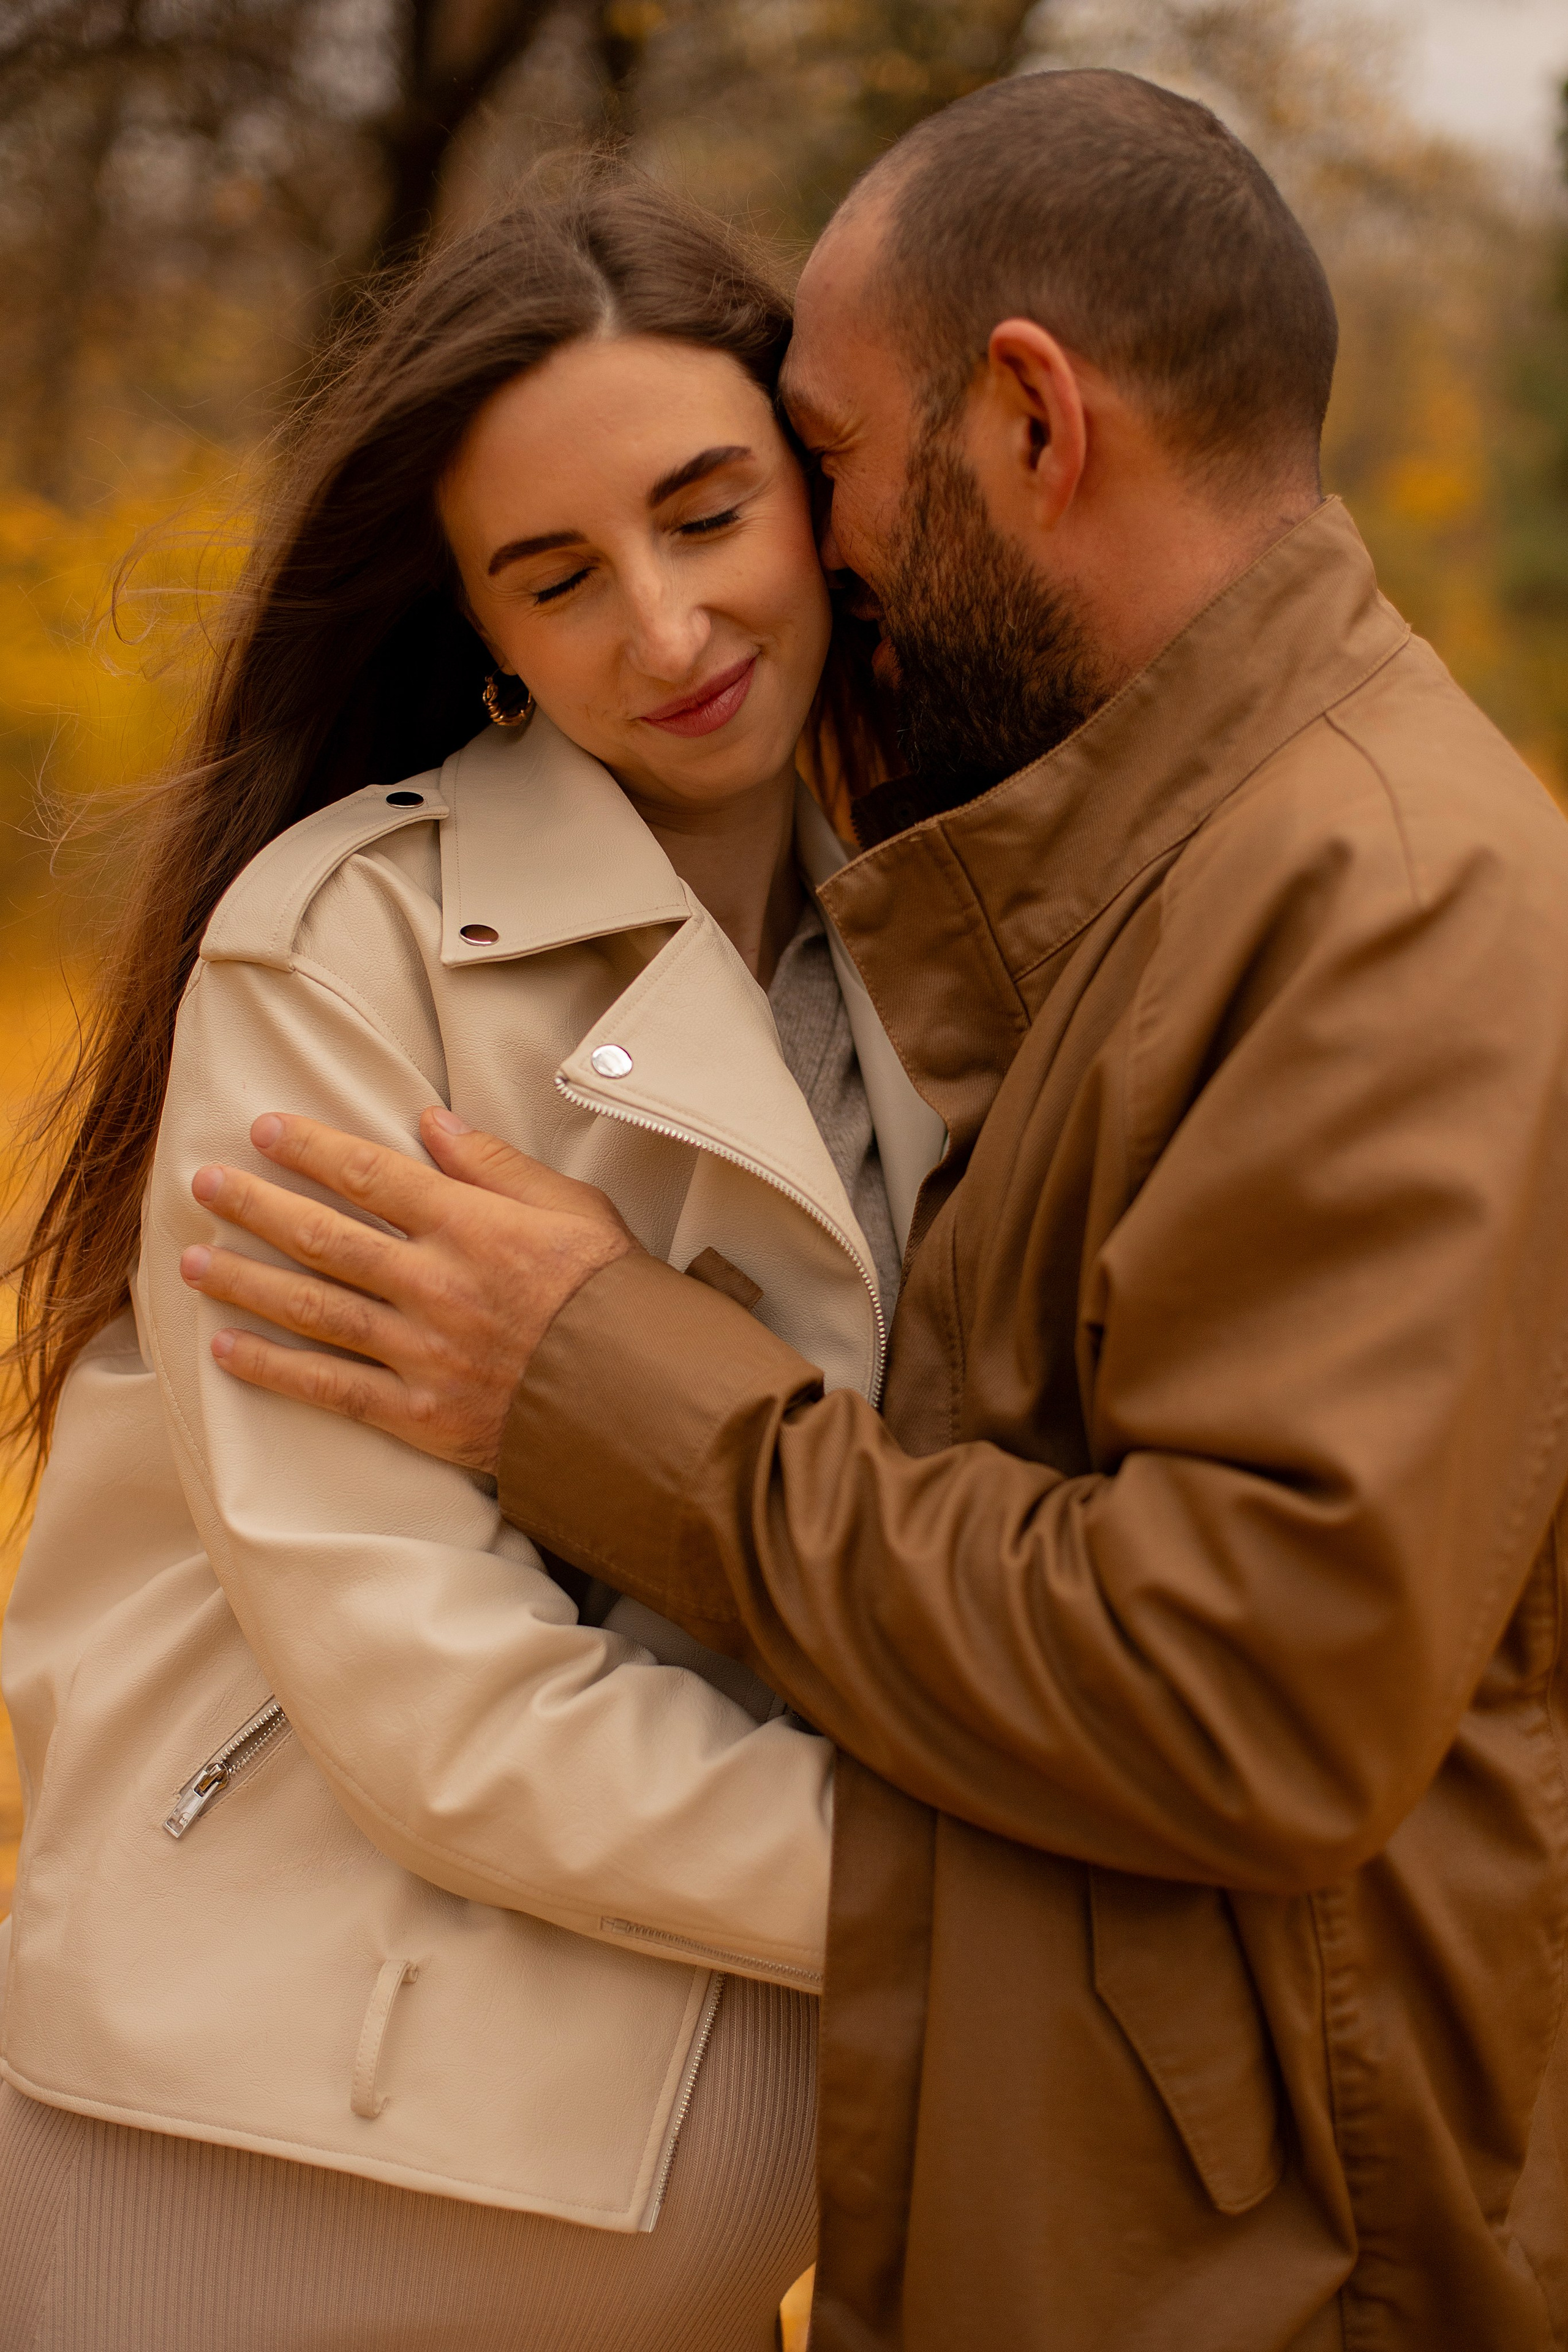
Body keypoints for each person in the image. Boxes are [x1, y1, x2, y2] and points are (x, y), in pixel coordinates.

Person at [178, 66, 1568, 2352]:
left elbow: (1244, 1679)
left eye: (798, 466)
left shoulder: (1369, 895)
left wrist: (598, 1372)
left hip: (1286, 2256)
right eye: (554, 572)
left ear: (1033, 421)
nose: (792, 560)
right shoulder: (1109, 870)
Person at [0, 167, 948, 2351]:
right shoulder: (347, 955)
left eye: (708, 516)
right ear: (484, 636)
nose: (668, 628)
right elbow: (423, 1681)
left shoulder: (949, 922)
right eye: (559, 576)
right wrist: (997, 1898)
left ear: (818, 498)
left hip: (714, 2234)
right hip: (272, 2184)